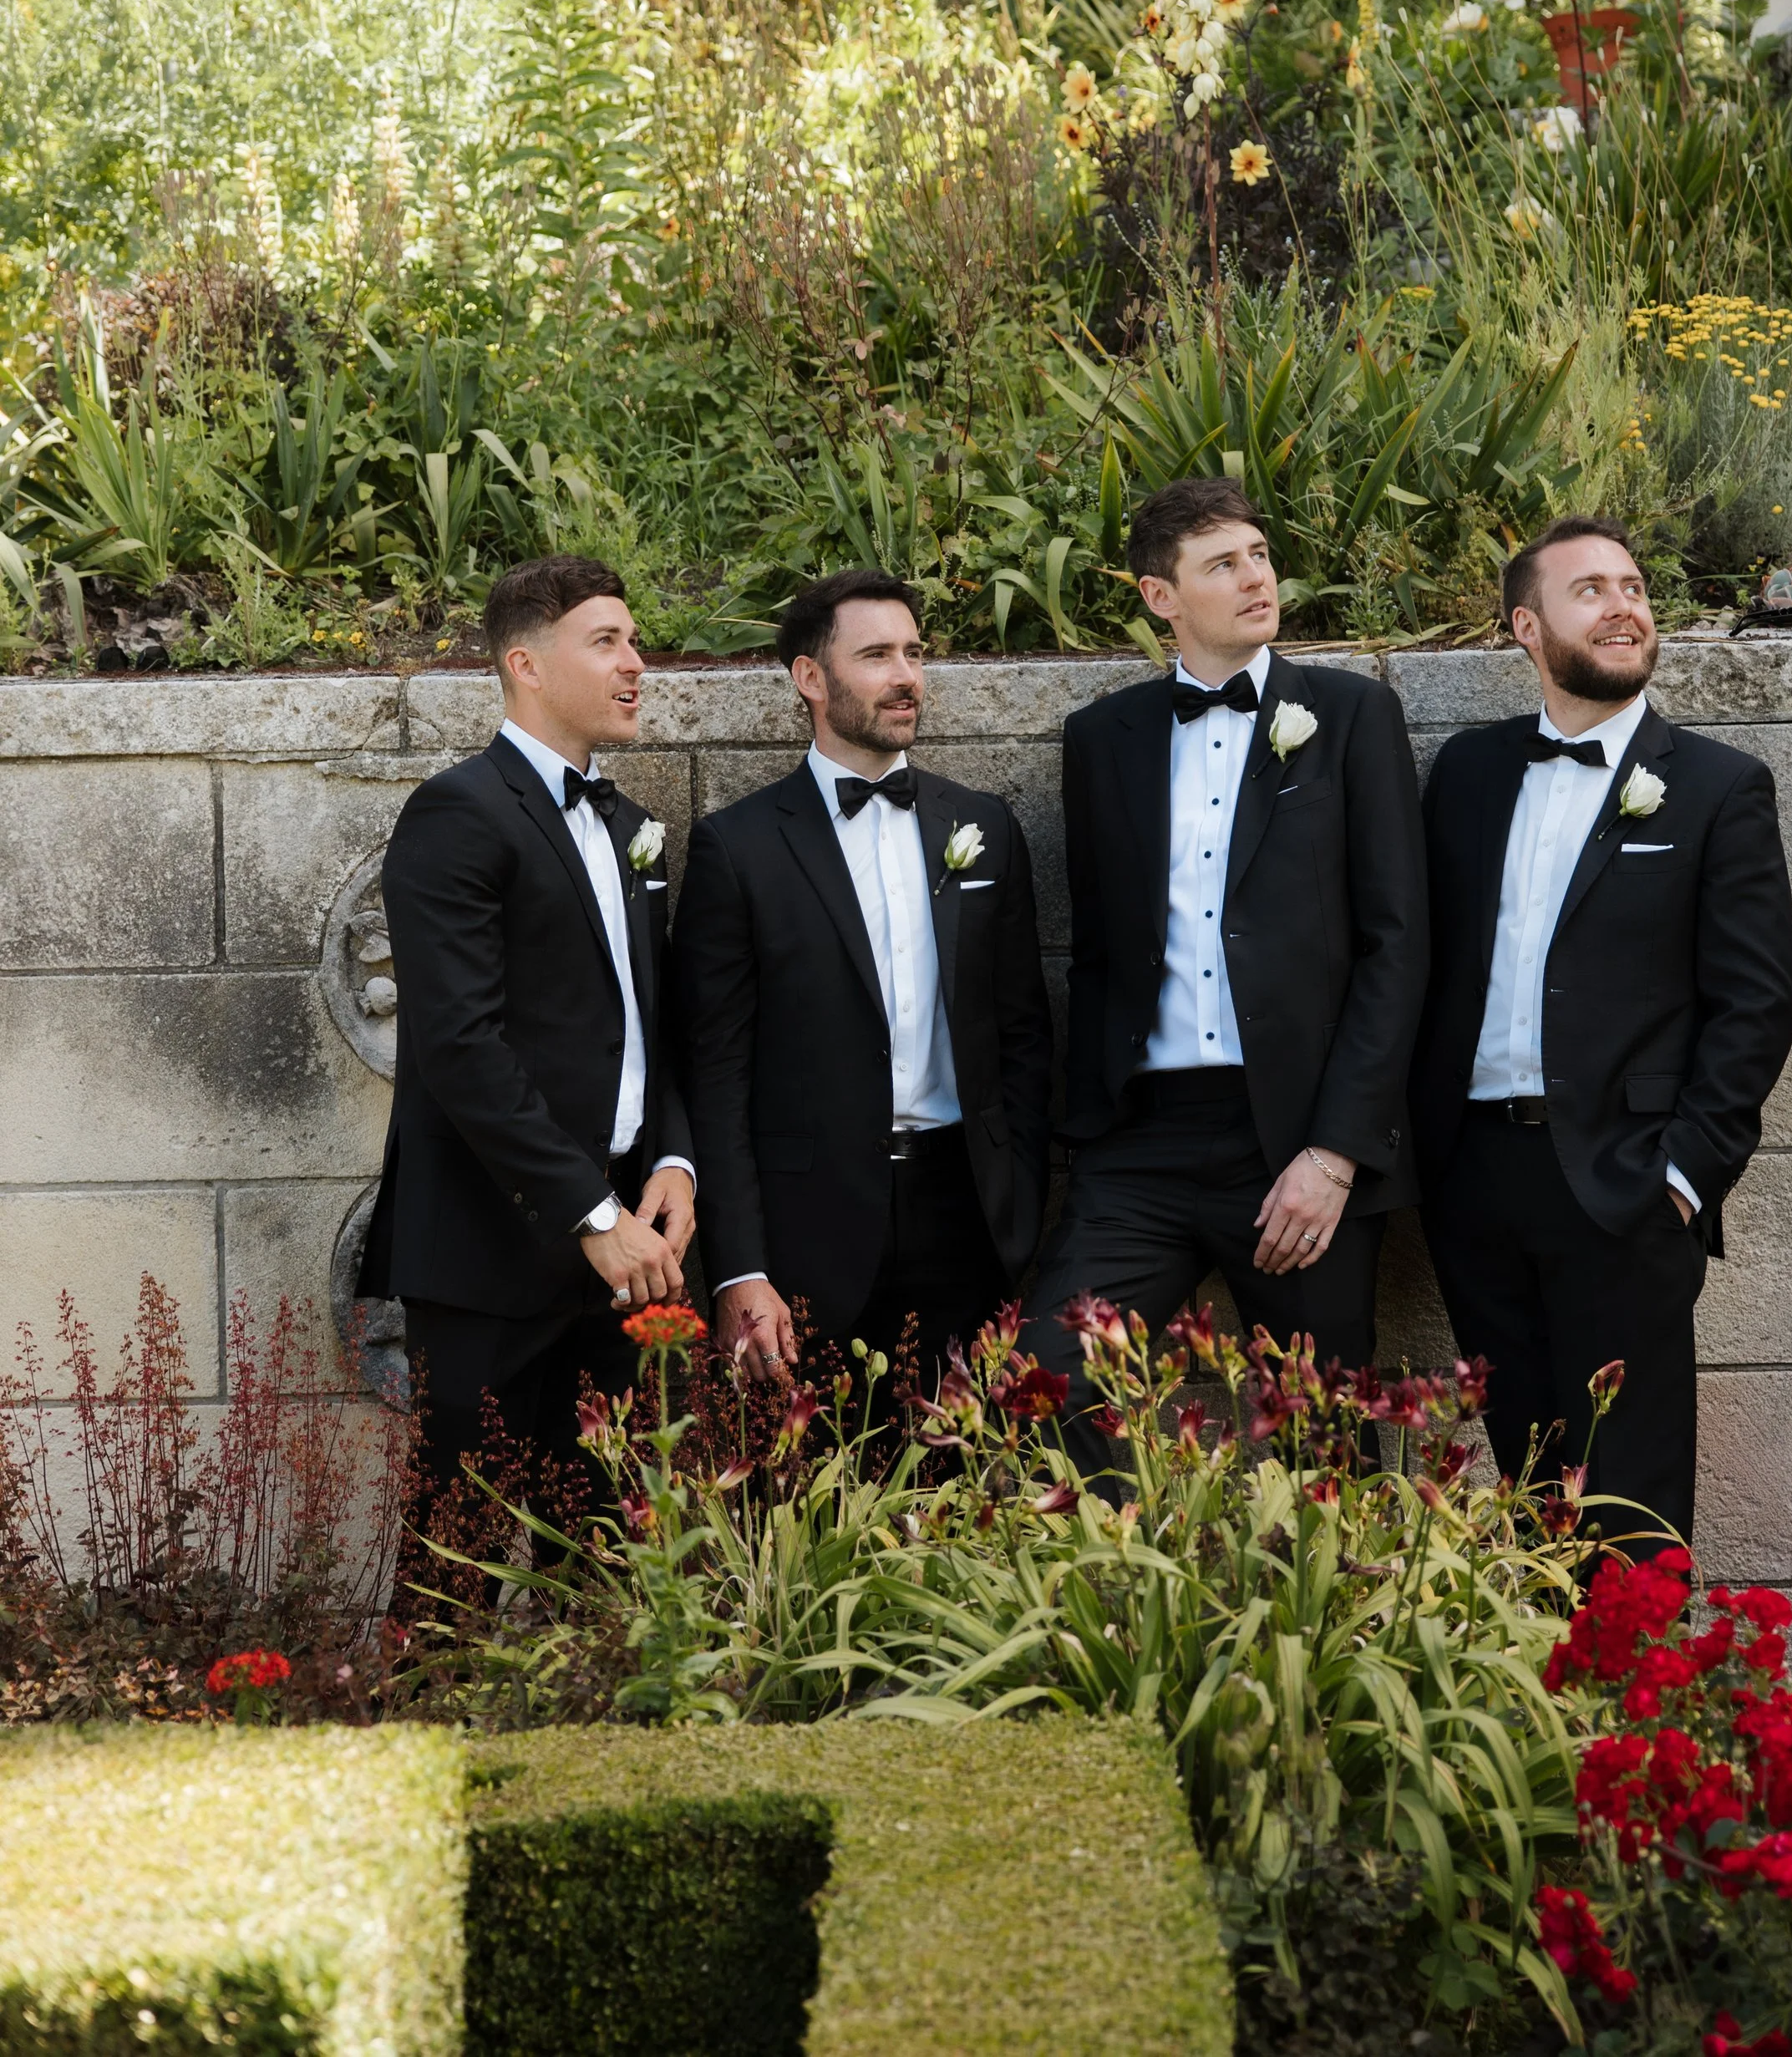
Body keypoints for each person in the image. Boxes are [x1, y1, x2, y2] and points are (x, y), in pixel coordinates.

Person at [1409, 516, 1792, 1551]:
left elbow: (1755, 1003)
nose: (1623, 606)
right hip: (1473, 1180)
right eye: (1589, 591)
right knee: (1528, 1489)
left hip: (1624, 1186)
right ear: (1524, 627)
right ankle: (1549, 1666)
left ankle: (1639, 1666)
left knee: (1629, 1503)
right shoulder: (1466, 773)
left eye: (1632, 587)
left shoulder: (1717, 787)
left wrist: (1683, 1177)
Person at [1023, 478, 1429, 1406]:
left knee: (1323, 1430)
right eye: (1221, 565)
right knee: (1046, 1383)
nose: (1256, 578)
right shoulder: (1102, 738)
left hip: (1296, 1138)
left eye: (1259, 556)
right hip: (1140, 1143)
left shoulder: (1351, 715)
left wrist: (1336, 1153)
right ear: (1159, 596)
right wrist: (1089, 1131)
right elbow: (1098, 950)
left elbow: (1397, 944)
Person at [357, 554, 694, 1504]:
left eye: (634, 641)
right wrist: (592, 1215)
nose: (635, 663)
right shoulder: (458, 812)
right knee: (457, 1550)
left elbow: (651, 1023)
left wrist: (674, 1162)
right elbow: (460, 1046)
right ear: (526, 665)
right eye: (606, 642)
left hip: (627, 1254)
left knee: (613, 1543)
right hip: (489, 1253)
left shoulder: (631, 825)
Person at [670, 569, 1052, 1389]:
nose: (906, 675)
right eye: (876, 655)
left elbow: (1021, 1031)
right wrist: (739, 1268)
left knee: (965, 1460)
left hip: (968, 1218)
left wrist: (1017, 1210)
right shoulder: (737, 848)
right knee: (809, 1464)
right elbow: (716, 1074)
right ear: (811, 677)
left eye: (913, 652)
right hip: (807, 1234)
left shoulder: (982, 824)